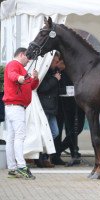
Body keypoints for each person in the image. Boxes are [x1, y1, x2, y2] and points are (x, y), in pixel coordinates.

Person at [3, 47, 39, 179]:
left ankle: (12, 168)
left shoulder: (22, 69)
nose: (29, 61)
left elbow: (31, 86)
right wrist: (19, 78)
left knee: (12, 138)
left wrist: (35, 78)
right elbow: (13, 75)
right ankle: (21, 166)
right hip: (16, 107)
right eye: (27, 58)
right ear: (22, 54)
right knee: (19, 137)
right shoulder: (14, 64)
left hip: (14, 106)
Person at [53, 58, 85, 165]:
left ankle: (58, 151)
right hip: (64, 105)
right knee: (63, 130)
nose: (58, 65)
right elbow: (57, 88)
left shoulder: (76, 70)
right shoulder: (57, 72)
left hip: (77, 105)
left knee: (76, 128)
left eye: (59, 62)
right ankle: (71, 154)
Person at [36, 52, 62, 168]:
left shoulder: (53, 71)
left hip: (51, 107)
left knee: (55, 132)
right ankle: (42, 156)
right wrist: (55, 79)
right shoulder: (44, 72)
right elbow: (43, 88)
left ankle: (43, 154)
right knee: (47, 132)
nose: (57, 64)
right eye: (55, 62)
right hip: (45, 107)